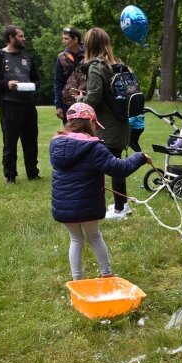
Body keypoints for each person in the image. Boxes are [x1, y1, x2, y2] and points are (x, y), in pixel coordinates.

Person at [50, 103, 151, 280]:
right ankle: (107, 274)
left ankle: (77, 280)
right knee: (94, 237)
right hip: (87, 205)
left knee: (76, 240)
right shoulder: (94, 148)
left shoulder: (57, 144)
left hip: (64, 207)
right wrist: (139, 157)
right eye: (95, 125)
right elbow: (119, 168)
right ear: (89, 123)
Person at [81, 27, 132, 220]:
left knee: (113, 166)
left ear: (90, 45)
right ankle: (123, 205)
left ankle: (119, 210)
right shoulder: (117, 64)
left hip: (107, 125)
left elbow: (93, 97)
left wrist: (79, 102)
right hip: (121, 122)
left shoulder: (97, 66)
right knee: (117, 163)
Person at [0, 25, 41, 184]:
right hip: (9, 105)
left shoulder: (28, 58)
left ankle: (33, 173)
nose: (24, 38)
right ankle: (10, 176)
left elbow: (36, 79)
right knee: (10, 142)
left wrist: (32, 86)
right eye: (21, 36)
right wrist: (7, 85)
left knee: (31, 141)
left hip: (28, 105)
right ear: (11, 38)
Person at [53, 27, 87, 123]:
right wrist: (58, 106)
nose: (63, 41)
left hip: (86, 101)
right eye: (63, 38)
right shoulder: (61, 57)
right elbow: (58, 82)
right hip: (67, 104)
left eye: (66, 39)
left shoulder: (89, 55)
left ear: (75, 39)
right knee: (71, 135)